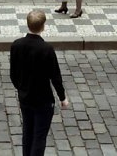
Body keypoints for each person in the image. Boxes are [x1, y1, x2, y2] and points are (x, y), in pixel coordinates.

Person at [9, 9, 69, 156]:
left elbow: (13, 73)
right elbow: (55, 76)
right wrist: (63, 98)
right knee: (39, 136)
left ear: (27, 25)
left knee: (27, 133)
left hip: (25, 97)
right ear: (43, 26)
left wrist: (21, 88)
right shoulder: (46, 49)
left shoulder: (16, 45)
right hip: (43, 99)